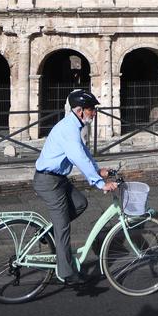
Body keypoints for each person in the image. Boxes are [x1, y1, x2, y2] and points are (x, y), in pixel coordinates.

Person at [34, 89, 118, 286]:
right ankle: (66, 273)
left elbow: (83, 152)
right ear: (80, 111)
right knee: (63, 227)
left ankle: (47, 234)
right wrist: (100, 184)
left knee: (80, 203)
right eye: (91, 109)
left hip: (58, 179)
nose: (94, 113)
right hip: (48, 182)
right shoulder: (69, 129)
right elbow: (77, 157)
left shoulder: (73, 126)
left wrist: (98, 170)